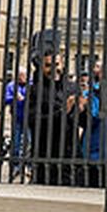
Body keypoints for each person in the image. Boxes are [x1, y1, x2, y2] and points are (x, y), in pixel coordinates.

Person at [25, 29, 79, 186]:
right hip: (46, 158)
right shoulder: (34, 91)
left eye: (56, 64)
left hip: (72, 158)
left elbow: (82, 122)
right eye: (48, 65)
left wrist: (83, 109)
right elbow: (34, 122)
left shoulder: (71, 87)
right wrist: (63, 112)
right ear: (40, 66)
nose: (54, 69)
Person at [3, 69, 28, 180]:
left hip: (29, 118)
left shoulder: (31, 84)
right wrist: (15, 98)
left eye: (23, 75)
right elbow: (6, 99)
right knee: (16, 143)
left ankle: (28, 166)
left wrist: (23, 99)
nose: (21, 77)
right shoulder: (11, 86)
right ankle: (15, 166)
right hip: (16, 117)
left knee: (29, 142)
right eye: (20, 75)